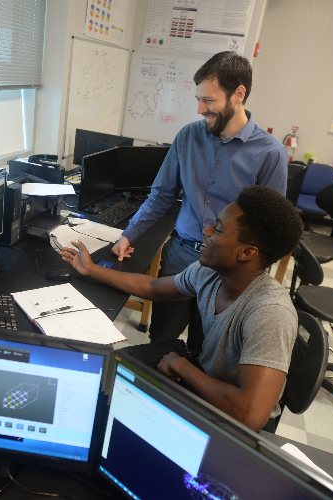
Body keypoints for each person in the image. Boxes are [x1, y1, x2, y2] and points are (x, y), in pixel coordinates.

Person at [59, 186, 303, 432]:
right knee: (110, 373)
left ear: (247, 253)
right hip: (207, 380)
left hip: (236, 422)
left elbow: (250, 415)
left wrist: (181, 366)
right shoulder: (209, 272)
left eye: (217, 229)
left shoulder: (270, 313)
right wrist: (92, 269)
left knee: (119, 413)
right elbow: (154, 287)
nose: (205, 232)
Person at [112, 51, 288, 346]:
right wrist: (129, 235)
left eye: (209, 100)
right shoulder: (187, 137)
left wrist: (251, 284)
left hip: (229, 270)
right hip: (181, 256)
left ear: (238, 94)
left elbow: (269, 230)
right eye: (198, 99)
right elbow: (161, 195)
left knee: (205, 348)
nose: (200, 109)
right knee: (161, 339)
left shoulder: (270, 153)